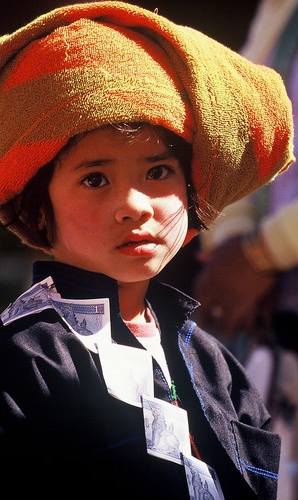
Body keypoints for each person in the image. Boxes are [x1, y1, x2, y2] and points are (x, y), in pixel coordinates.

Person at [0, 1, 294, 498]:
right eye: (95, 178)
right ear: (39, 207)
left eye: (159, 172)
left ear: (191, 189)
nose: (133, 206)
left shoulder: (213, 362)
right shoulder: (29, 356)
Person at [192, 1, 298, 498]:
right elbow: (237, 124)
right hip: (276, 330)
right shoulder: (280, 11)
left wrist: (261, 253)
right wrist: (234, 235)